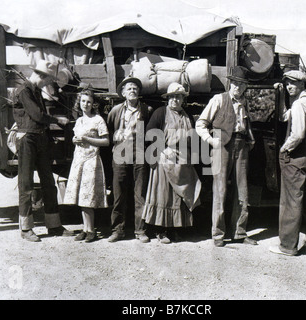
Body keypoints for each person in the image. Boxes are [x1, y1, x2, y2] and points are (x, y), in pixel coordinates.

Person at [195, 66, 257, 247]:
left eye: (242, 84)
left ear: (245, 87)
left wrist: (250, 141)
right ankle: (218, 234)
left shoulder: (244, 102)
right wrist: (211, 141)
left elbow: (246, 124)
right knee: (220, 190)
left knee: (242, 191)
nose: (238, 87)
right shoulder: (219, 100)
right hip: (221, 147)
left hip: (241, 146)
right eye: (236, 83)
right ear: (230, 83)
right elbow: (201, 124)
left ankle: (239, 232)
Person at [13, 59, 73, 242]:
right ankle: (26, 229)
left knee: (48, 183)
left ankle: (54, 225)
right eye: (47, 79)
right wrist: (57, 121)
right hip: (27, 139)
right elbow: (37, 115)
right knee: (26, 184)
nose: (48, 83)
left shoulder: (36, 91)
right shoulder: (24, 91)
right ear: (40, 75)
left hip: (39, 139)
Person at [269, 70, 306, 256]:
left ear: (302, 84)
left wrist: (285, 148)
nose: (289, 86)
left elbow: (298, 134)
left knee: (291, 201)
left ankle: (287, 246)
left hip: (296, 156)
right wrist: (279, 96)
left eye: (293, 83)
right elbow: (284, 116)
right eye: (287, 83)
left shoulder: (300, 104)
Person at [142, 82, 201, 243]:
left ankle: (176, 229)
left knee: (179, 195)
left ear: (183, 99)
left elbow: (193, 138)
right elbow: (150, 133)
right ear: (167, 99)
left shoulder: (187, 116)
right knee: (164, 195)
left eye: (178, 97)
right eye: (172, 97)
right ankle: (161, 231)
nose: (175, 100)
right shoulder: (161, 113)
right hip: (165, 159)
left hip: (183, 160)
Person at [107, 76, 153, 243]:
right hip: (120, 151)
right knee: (119, 193)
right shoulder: (116, 110)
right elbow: (110, 127)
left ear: (139, 92)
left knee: (140, 193)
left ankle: (140, 230)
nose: (132, 91)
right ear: (123, 93)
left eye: (135, 88)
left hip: (139, 152)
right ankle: (117, 230)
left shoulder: (146, 110)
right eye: (129, 89)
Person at [63, 89, 109, 242]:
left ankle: (91, 230)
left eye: (88, 101)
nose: (85, 104)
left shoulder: (98, 120)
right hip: (79, 160)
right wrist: (74, 140)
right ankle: (85, 228)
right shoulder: (79, 121)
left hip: (91, 160)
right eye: (83, 101)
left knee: (88, 195)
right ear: (79, 103)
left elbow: (106, 141)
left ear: (93, 104)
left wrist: (88, 139)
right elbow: (77, 138)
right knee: (80, 194)